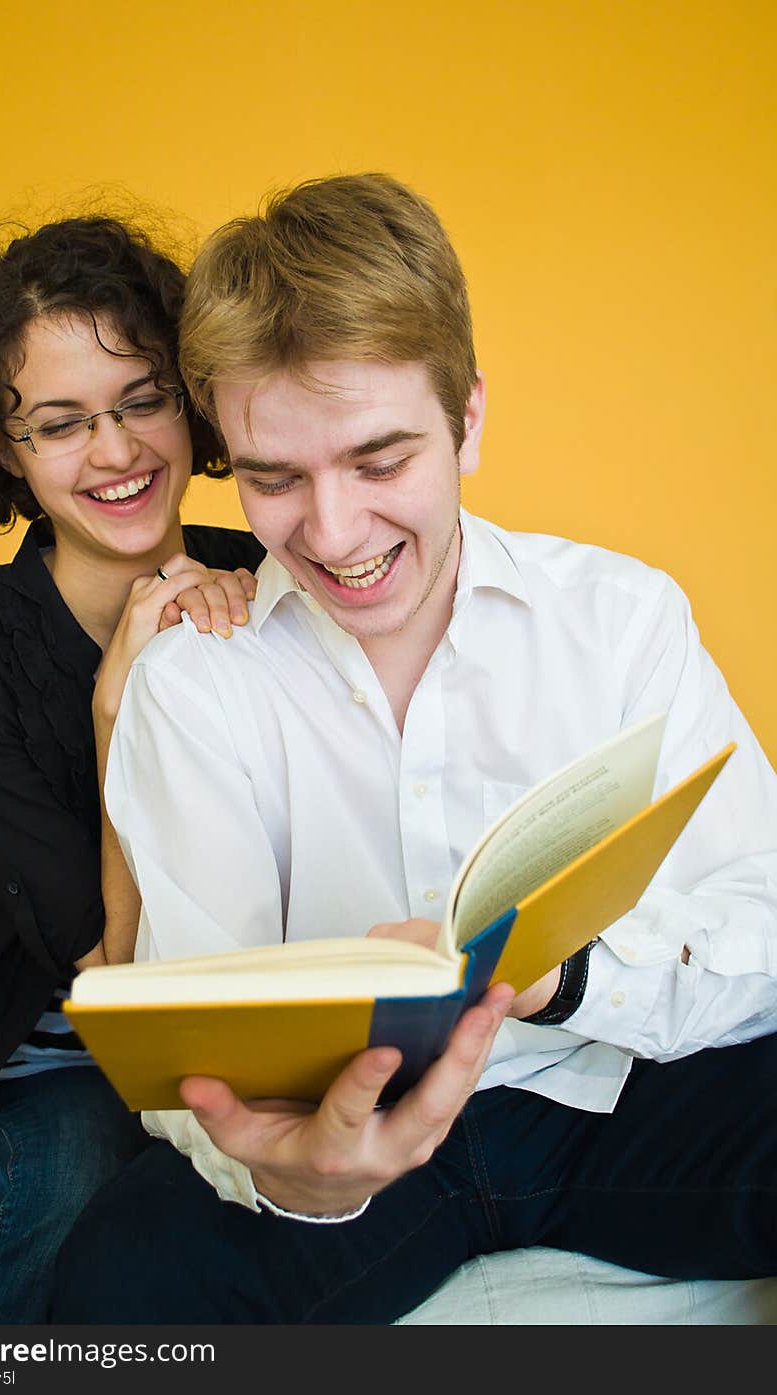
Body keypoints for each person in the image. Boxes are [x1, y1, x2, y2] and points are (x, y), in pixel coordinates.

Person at [51, 174, 777, 1324]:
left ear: (469, 418)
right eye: (274, 478)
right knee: (114, 1283)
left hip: (620, 1093)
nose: (335, 536)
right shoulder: (193, 686)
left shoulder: (623, 617)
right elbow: (195, 1027)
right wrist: (283, 1168)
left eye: (381, 460)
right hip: (363, 1153)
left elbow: (761, 909)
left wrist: (570, 975)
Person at [0, 213, 265, 1324]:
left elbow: (127, 984)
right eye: (60, 425)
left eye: (144, 400)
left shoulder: (272, 582)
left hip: (83, 1073)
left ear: (192, 400)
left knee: (55, 1209)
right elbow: (90, 941)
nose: (116, 453)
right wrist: (119, 703)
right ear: (6, 449)